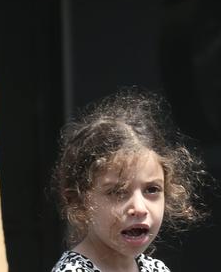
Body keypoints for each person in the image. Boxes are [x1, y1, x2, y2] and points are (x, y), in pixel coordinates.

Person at [51, 89, 205, 272]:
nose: (139, 208)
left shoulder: (155, 269)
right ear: (79, 201)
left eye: (152, 189)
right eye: (118, 192)